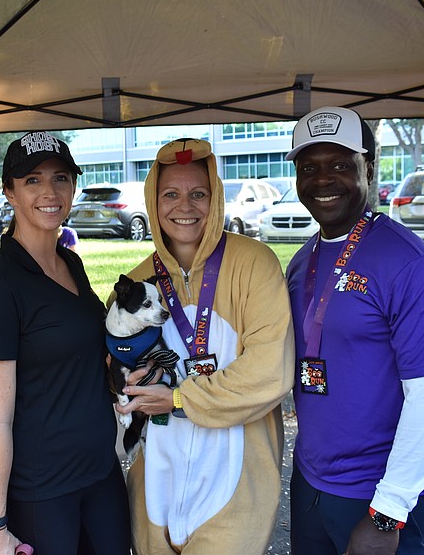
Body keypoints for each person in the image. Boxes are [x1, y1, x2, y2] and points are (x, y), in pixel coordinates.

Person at [284, 106, 424, 555]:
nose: (323, 180)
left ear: (369, 167)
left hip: (378, 498)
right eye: (309, 168)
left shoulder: (411, 265)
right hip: (311, 483)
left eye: (340, 165)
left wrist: (387, 513)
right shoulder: (302, 261)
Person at [115, 138, 294, 554]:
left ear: (216, 200)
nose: (185, 206)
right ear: (153, 201)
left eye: (198, 194)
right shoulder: (137, 284)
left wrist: (180, 398)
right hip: (154, 482)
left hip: (234, 482)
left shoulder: (255, 264)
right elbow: (117, 371)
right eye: (170, 194)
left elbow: (270, 369)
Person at [0, 131, 131, 555]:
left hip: (100, 473)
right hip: (43, 491)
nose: (50, 192)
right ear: (9, 192)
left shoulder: (69, 261)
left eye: (61, 178)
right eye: (32, 180)